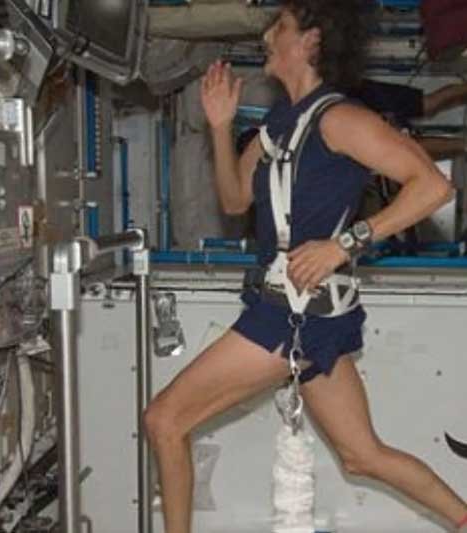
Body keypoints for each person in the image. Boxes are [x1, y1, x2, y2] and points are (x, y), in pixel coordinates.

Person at [141, 1, 467, 532]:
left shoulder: (340, 119)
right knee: (362, 456)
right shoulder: (279, 124)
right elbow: (233, 198)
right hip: (307, 314)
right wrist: (220, 127)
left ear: (311, 40)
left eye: (282, 26)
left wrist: (345, 244)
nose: (268, 35)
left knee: (165, 419)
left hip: (290, 313)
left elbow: (433, 186)